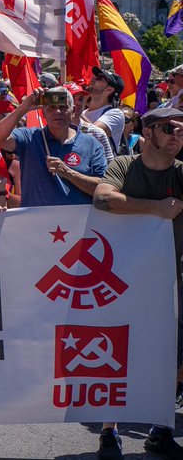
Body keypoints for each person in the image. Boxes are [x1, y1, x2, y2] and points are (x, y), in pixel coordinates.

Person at [91, 107, 183, 460]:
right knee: (117, 353)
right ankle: (109, 432)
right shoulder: (124, 166)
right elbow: (102, 198)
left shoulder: (181, 173)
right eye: (168, 128)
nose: (176, 135)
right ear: (147, 133)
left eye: (181, 130)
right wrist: (155, 208)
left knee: (173, 358)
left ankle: (160, 431)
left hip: (171, 281)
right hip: (121, 279)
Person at [0, 87, 107, 206]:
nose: (57, 112)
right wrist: (24, 108)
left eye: (63, 107)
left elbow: (103, 189)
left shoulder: (91, 144)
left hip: (78, 222)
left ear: (73, 111)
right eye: (52, 107)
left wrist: (68, 173)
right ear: (43, 113)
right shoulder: (29, 137)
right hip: (37, 221)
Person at [83, 67, 127, 152]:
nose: (93, 78)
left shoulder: (115, 114)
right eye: (95, 76)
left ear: (109, 89)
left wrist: (76, 109)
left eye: (99, 78)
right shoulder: (83, 113)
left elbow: (94, 133)